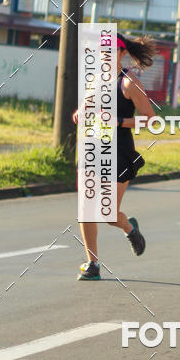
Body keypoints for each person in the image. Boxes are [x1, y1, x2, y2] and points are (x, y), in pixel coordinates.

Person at [73, 33, 156, 281]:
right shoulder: (95, 80)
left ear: (122, 53)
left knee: (107, 214)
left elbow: (150, 119)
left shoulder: (129, 83)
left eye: (112, 50)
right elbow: (88, 108)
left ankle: (130, 228)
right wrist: (80, 113)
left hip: (119, 152)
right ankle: (93, 263)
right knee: (86, 208)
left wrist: (119, 121)